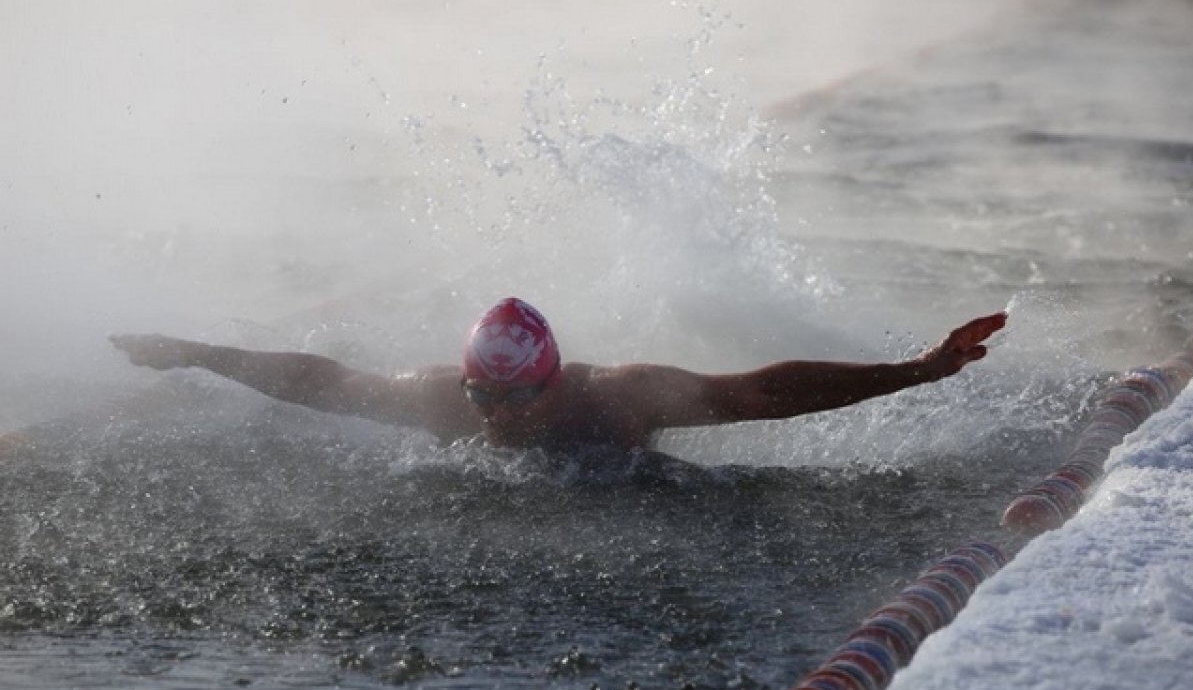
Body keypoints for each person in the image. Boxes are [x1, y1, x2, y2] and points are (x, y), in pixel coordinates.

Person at [110, 297, 1006, 452]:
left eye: (514, 394)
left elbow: (762, 393)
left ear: (552, 381)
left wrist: (919, 371)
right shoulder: (442, 401)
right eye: (482, 393)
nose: (495, 412)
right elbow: (319, 379)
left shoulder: (621, 396)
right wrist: (193, 353)